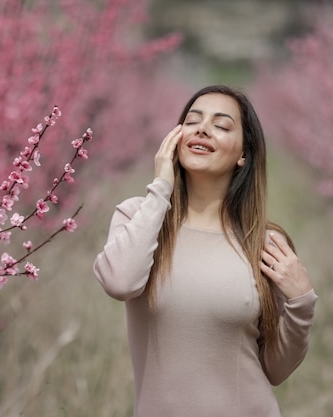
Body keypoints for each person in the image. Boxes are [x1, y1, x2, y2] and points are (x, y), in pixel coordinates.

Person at [93, 85, 317, 417]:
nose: (202, 129)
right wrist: (161, 190)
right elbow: (119, 283)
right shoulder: (138, 218)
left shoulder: (264, 243)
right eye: (193, 120)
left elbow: (276, 369)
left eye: (222, 125)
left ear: (243, 153)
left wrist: (301, 301)